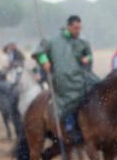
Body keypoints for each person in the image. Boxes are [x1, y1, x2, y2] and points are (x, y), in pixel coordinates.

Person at [36, 15, 100, 143]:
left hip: (81, 76)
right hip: (62, 79)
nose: (78, 31)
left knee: (99, 87)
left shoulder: (82, 41)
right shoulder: (53, 40)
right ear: (69, 26)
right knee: (72, 97)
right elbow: (40, 52)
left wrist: (87, 59)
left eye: (80, 28)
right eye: (76, 28)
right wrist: (44, 62)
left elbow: (89, 55)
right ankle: (69, 125)